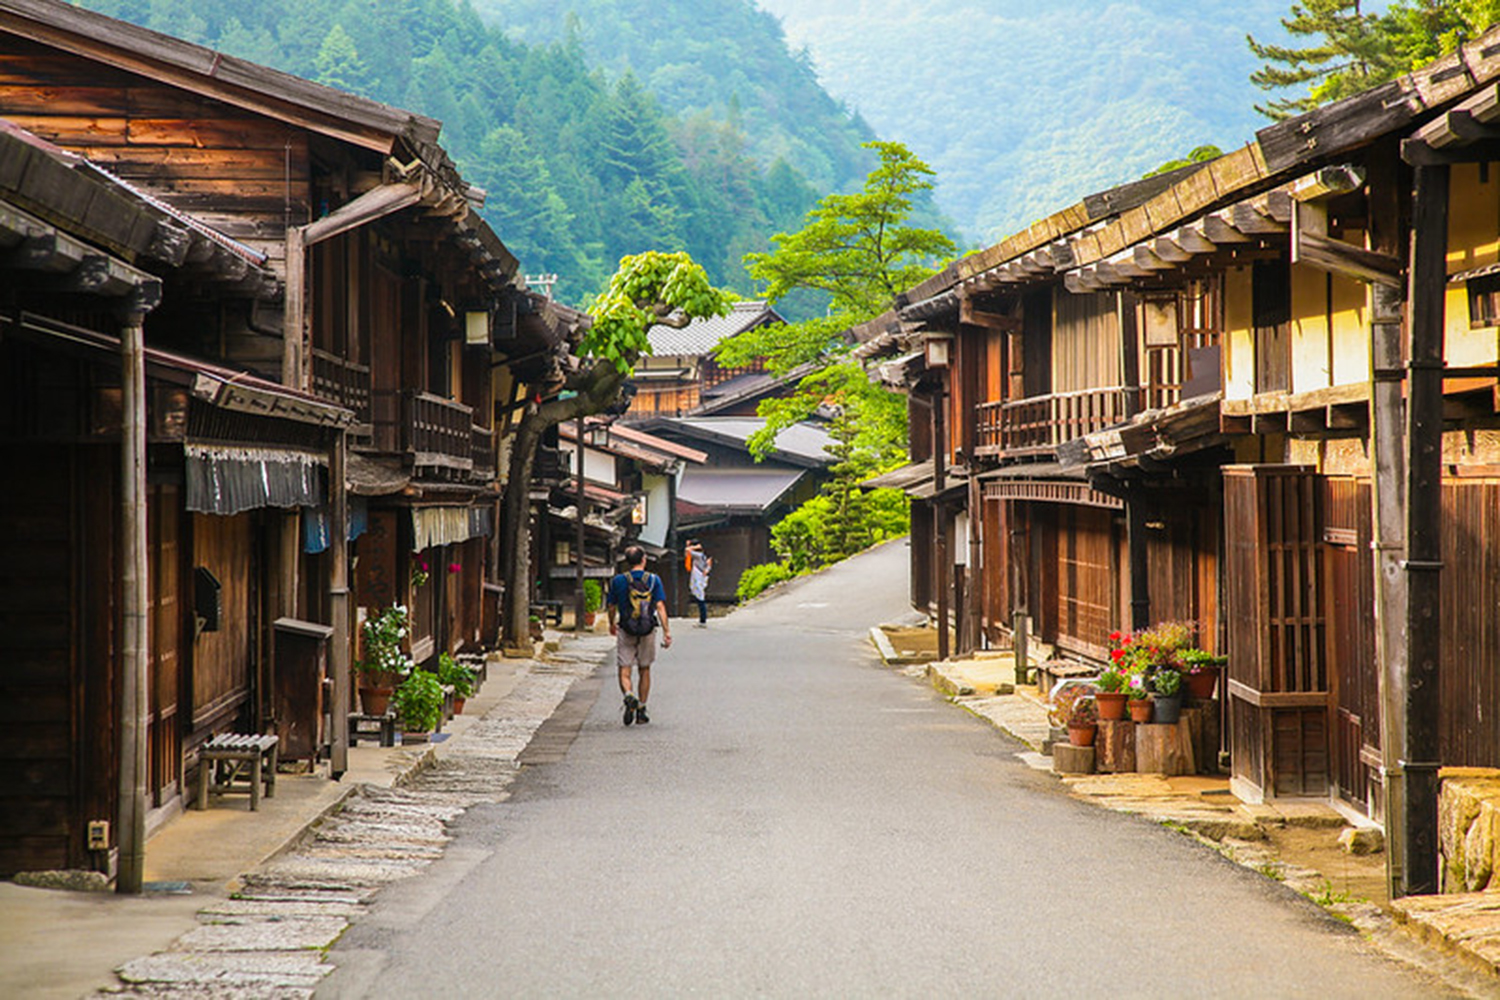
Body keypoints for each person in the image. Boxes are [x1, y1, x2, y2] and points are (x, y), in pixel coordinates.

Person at [607, 544, 671, 726]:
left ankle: (628, 695)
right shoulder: (653, 580)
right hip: (647, 629)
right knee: (644, 669)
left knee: (624, 669)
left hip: (626, 628)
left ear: (626, 562)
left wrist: (612, 623)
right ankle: (641, 709)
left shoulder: (618, 581)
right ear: (644, 560)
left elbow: (611, 606)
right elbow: (660, 607)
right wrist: (667, 632)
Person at [686, 539, 713, 626]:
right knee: (701, 598)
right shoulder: (704, 556)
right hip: (701, 577)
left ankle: (703, 620)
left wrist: (690, 546)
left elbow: (687, 550)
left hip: (698, 577)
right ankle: (702, 620)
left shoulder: (697, 555)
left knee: (701, 599)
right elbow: (708, 566)